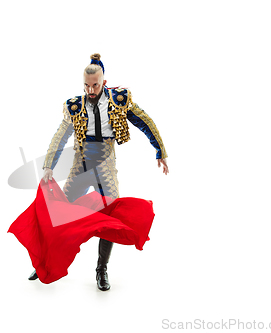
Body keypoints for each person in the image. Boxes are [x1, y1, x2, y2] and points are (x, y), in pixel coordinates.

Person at [28, 53, 169, 291]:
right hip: (81, 163)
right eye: (86, 85)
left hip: (105, 163)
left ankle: (101, 269)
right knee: (59, 212)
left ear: (103, 82)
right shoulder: (74, 106)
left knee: (110, 216)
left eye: (94, 85)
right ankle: (45, 261)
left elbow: (144, 121)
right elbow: (60, 136)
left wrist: (160, 151)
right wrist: (49, 165)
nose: (90, 90)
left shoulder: (119, 100)